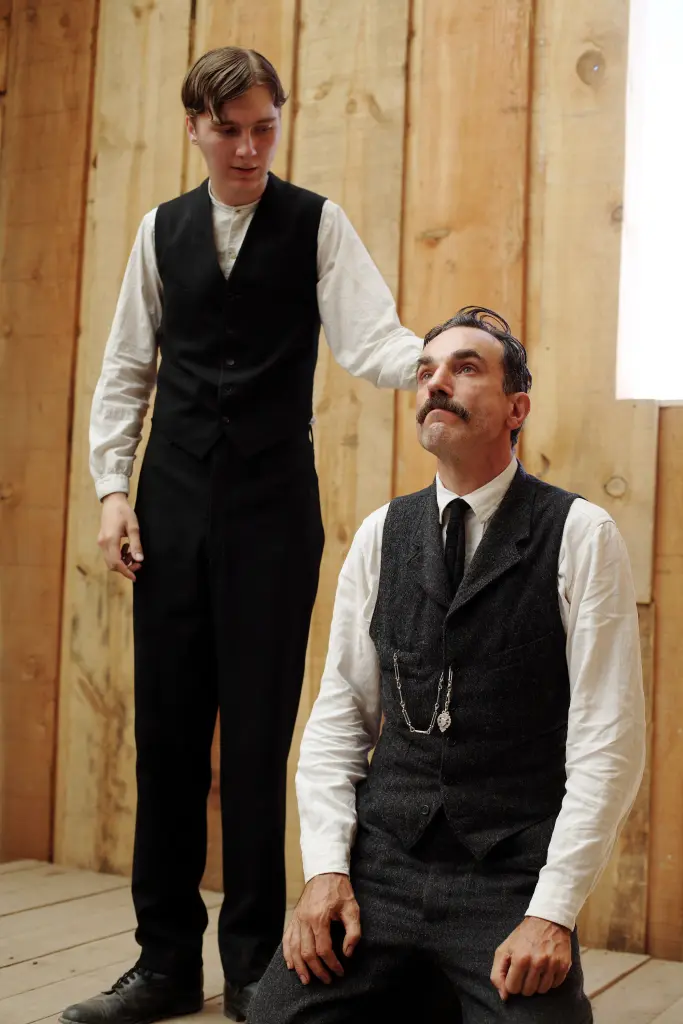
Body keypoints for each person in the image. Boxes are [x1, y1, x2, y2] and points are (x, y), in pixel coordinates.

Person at [60, 47, 422, 1024]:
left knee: (259, 741)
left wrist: (438, 357)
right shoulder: (161, 231)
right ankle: (163, 964)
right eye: (230, 130)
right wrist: (111, 490)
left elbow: (370, 338)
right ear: (195, 128)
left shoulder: (317, 225)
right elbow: (125, 370)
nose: (250, 147)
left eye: (265, 127)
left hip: (272, 511)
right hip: (170, 504)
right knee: (167, 741)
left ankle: (256, 967)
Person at [249, 306, 646, 1024]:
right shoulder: (380, 534)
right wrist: (326, 871)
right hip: (381, 870)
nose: (436, 383)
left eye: (465, 368)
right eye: (426, 370)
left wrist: (551, 912)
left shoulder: (581, 535)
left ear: (516, 408)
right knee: (275, 1017)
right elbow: (340, 718)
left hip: (507, 878)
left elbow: (607, 744)